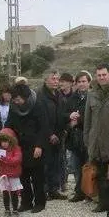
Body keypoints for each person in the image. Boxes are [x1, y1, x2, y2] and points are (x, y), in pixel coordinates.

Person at [6, 83, 50, 213]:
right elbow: (9, 124)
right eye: (14, 99)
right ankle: (26, 202)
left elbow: (44, 127)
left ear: (25, 97)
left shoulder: (38, 104)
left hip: (35, 145)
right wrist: (6, 137)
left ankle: (40, 202)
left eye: (18, 99)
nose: (16, 102)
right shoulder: (14, 107)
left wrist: (39, 145)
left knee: (37, 177)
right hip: (20, 146)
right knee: (23, 176)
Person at [85, 64, 109, 214]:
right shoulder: (91, 94)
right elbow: (87, 120)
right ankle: (102, 202)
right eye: (99, 75)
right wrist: (87, 138)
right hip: (96, 141)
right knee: (98, 173)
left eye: (104, 74)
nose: (101, 77)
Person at [38, 72, 64, 201]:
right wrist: (50, 134)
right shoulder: (40, 95)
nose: (55, 81)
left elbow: (61, 114)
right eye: (52, 78)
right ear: (45, 80)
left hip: (58, 135)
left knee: (56, 163)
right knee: (45, 164)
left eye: (57, 79)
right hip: (45, 135)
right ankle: (44, 190)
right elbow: (41, 118)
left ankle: (54, 189)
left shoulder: (59, 95)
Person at [0, 128, 24, 217]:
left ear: (10, 140)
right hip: (3, 176)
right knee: (5, 193)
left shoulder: (16, 149)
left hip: (13, 175)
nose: (4, 143)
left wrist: (5, 158)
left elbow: (17, 160)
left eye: (6, 141)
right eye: (2, 141)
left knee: (14, 193)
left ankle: (15, 209)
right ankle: (7, 209)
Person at [66, 71, 91, 202]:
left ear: (89, 82)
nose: (81, 84)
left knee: (89, 166)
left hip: (88, 137)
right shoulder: (71, 98)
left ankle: (90, 192)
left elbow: (93, 117)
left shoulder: (92, 97)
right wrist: (70, 118)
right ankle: (79, 192)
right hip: (74, 137)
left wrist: (79, 120)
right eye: (79, 82)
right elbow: (64, 114)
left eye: (84, 81)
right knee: (76, 167)